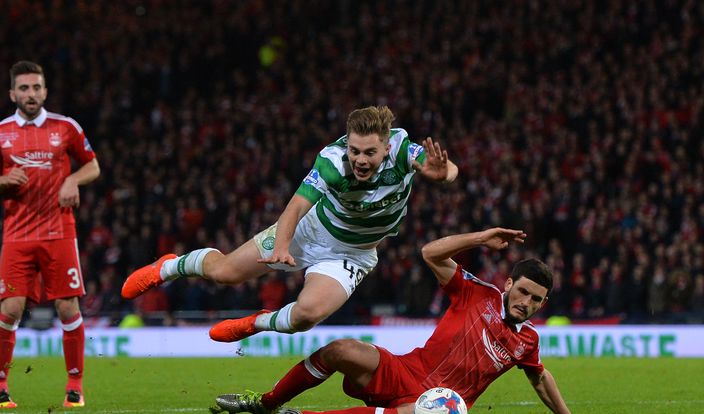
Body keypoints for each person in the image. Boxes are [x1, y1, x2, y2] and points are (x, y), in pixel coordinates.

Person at [122, 106, 458, 341]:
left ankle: (256, 323)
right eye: (354, 150)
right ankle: (170, 267)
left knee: (305, 317)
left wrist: (444, 175)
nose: (360, 160)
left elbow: (447, 168)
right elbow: (296, 206)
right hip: (308, 231)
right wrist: (282, 245)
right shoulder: (331, 161)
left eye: (369, 152)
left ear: (386, 145)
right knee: (224, 273)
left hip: (353, 253)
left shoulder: (402, 148)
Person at [214, 227, 571, 414]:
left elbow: (540, 378)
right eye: (523, 292)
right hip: (407, 369)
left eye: (536, 299)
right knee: (341, 350)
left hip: (442, 403)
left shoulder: (528, 342)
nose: (526, 303)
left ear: (544, 303)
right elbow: (430, 253)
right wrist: (480, 238)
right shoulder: (477, 293)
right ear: (509, 284)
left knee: (433, 412)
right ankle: (266, 404)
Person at [0, 61, 100, 409]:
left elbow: (93, 165)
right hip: (17, 237)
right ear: (12, 93)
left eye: (36, 88)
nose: (31, 94)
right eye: (24, 88)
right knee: (11, 309)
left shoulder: (66, 127)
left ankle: (74, 386)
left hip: (59, 232)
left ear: (45, 91)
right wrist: (5, 180)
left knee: (67, 307)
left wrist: (72, 179)